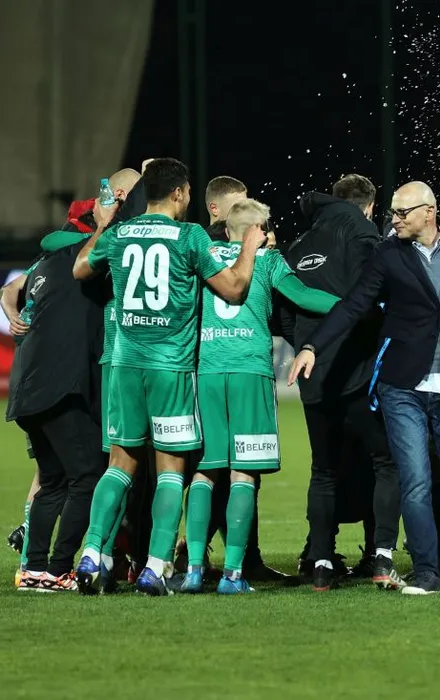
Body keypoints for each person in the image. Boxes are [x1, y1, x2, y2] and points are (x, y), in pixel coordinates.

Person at [289, 181, 440, 595]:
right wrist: (314, 345)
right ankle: (425, 572)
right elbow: (354, 303)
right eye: (393, 212)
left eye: (403, 212)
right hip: (402, 386)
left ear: (429, 212)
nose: (395, 219)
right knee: (417, 483)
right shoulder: (388, 253)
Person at [72, 157, 265, 596]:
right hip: (170, 367)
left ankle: (92, 552)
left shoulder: (121, 232)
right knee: (170, 470)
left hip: (124, 365)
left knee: (119, 464)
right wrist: (250, 247)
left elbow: (80, 268)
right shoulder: (190, 235)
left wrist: (102, 225)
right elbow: (234, 288)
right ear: (178, 193)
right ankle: (156, 566)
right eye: (189, 190)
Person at [180, 198, 338, 595]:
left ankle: (194, 569)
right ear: (260, 231)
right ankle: (233, 575)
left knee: (204, 471)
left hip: (207, 371)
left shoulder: (205, 257)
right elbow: (304, 296)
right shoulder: (268, 260)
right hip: (250, 371)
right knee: (243, 473)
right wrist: (353, 304)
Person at [283, 174, 404, 591]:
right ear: (369, 207)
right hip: (359, 373)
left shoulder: (299, 245)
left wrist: (307, 346)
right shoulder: (363, 234)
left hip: (313, 376)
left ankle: (320, 562)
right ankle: (381, 557)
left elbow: (283, 314)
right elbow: (370, 297)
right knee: (386, 461)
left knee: (324, 470)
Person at [5, 209, 113, 591]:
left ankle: (34, 570)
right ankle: (59, 569)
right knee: (88, 476)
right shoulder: (81, 260)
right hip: (61, 386)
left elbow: (7, 290)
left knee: (52, 482)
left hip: (26, 390)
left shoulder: (44, 263)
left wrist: (11, 309)